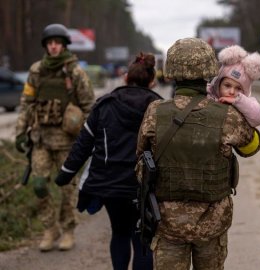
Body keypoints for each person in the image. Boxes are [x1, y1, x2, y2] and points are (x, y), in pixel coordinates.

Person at [136, 37, 260, 270]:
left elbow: (141, 153)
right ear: (209, 70)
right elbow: (252, 147)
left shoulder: (155, 111)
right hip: (211, 224)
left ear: (172, 71)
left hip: (167, 223)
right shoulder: (226, 113)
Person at [55, 52, 162, 270]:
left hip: (109, 186)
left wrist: (65, 174)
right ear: (152, 81)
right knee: (143, 238)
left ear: (125, 78)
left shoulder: (104, 105)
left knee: (119, 233)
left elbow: (83, 145)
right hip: (144, 186)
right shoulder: (159, 109)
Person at [14, 23, 95, 252]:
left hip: (67, 141)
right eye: (50, 43)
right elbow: (26, 103)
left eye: (57, 43)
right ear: (45, 46)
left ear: (64, 45)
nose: (53, 47)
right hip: (40, 138)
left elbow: (89, 106)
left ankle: (68, 229)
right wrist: (21, 132)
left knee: (68, 188)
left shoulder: (75, 72)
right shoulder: (36, 71)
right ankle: (50, 229)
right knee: (39, 185)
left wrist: (87, 138)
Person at [207, 44, 260, 127]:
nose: (232, 92)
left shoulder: (246, 103)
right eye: (227, 86)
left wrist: (238, 101)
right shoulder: (208, 92)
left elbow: (259, 118)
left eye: (238, 88)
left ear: (245, 91)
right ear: (218, 83)